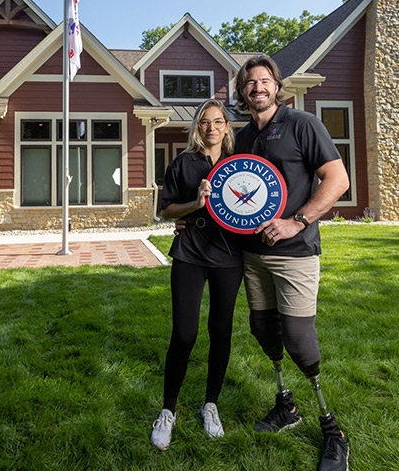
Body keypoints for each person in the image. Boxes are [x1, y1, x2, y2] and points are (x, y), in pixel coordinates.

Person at [234, 55, 351, 471]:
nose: (257, 88)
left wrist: (295, 221)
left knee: (300, 341)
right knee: (264, 331)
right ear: (241, 91)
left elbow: (338, 180)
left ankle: (333, 429)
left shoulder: (303, 124)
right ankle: (286, 405)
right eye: (250, 83)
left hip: (295, 254)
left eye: (264, 81)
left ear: (277, 87)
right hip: (252, 257)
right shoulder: (243, 137)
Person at [150, 98, 243, 450]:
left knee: (221, 330)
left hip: (229, 255)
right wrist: (195, 203)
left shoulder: (239, 164)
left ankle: (211, 404)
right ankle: (168, 411)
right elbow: (165, 210)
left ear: (226, 127)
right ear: (197, 127)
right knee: (185, 333)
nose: (211, 128)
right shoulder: (184, 163)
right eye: (205, 122)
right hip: (190, 252)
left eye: (218, 121)